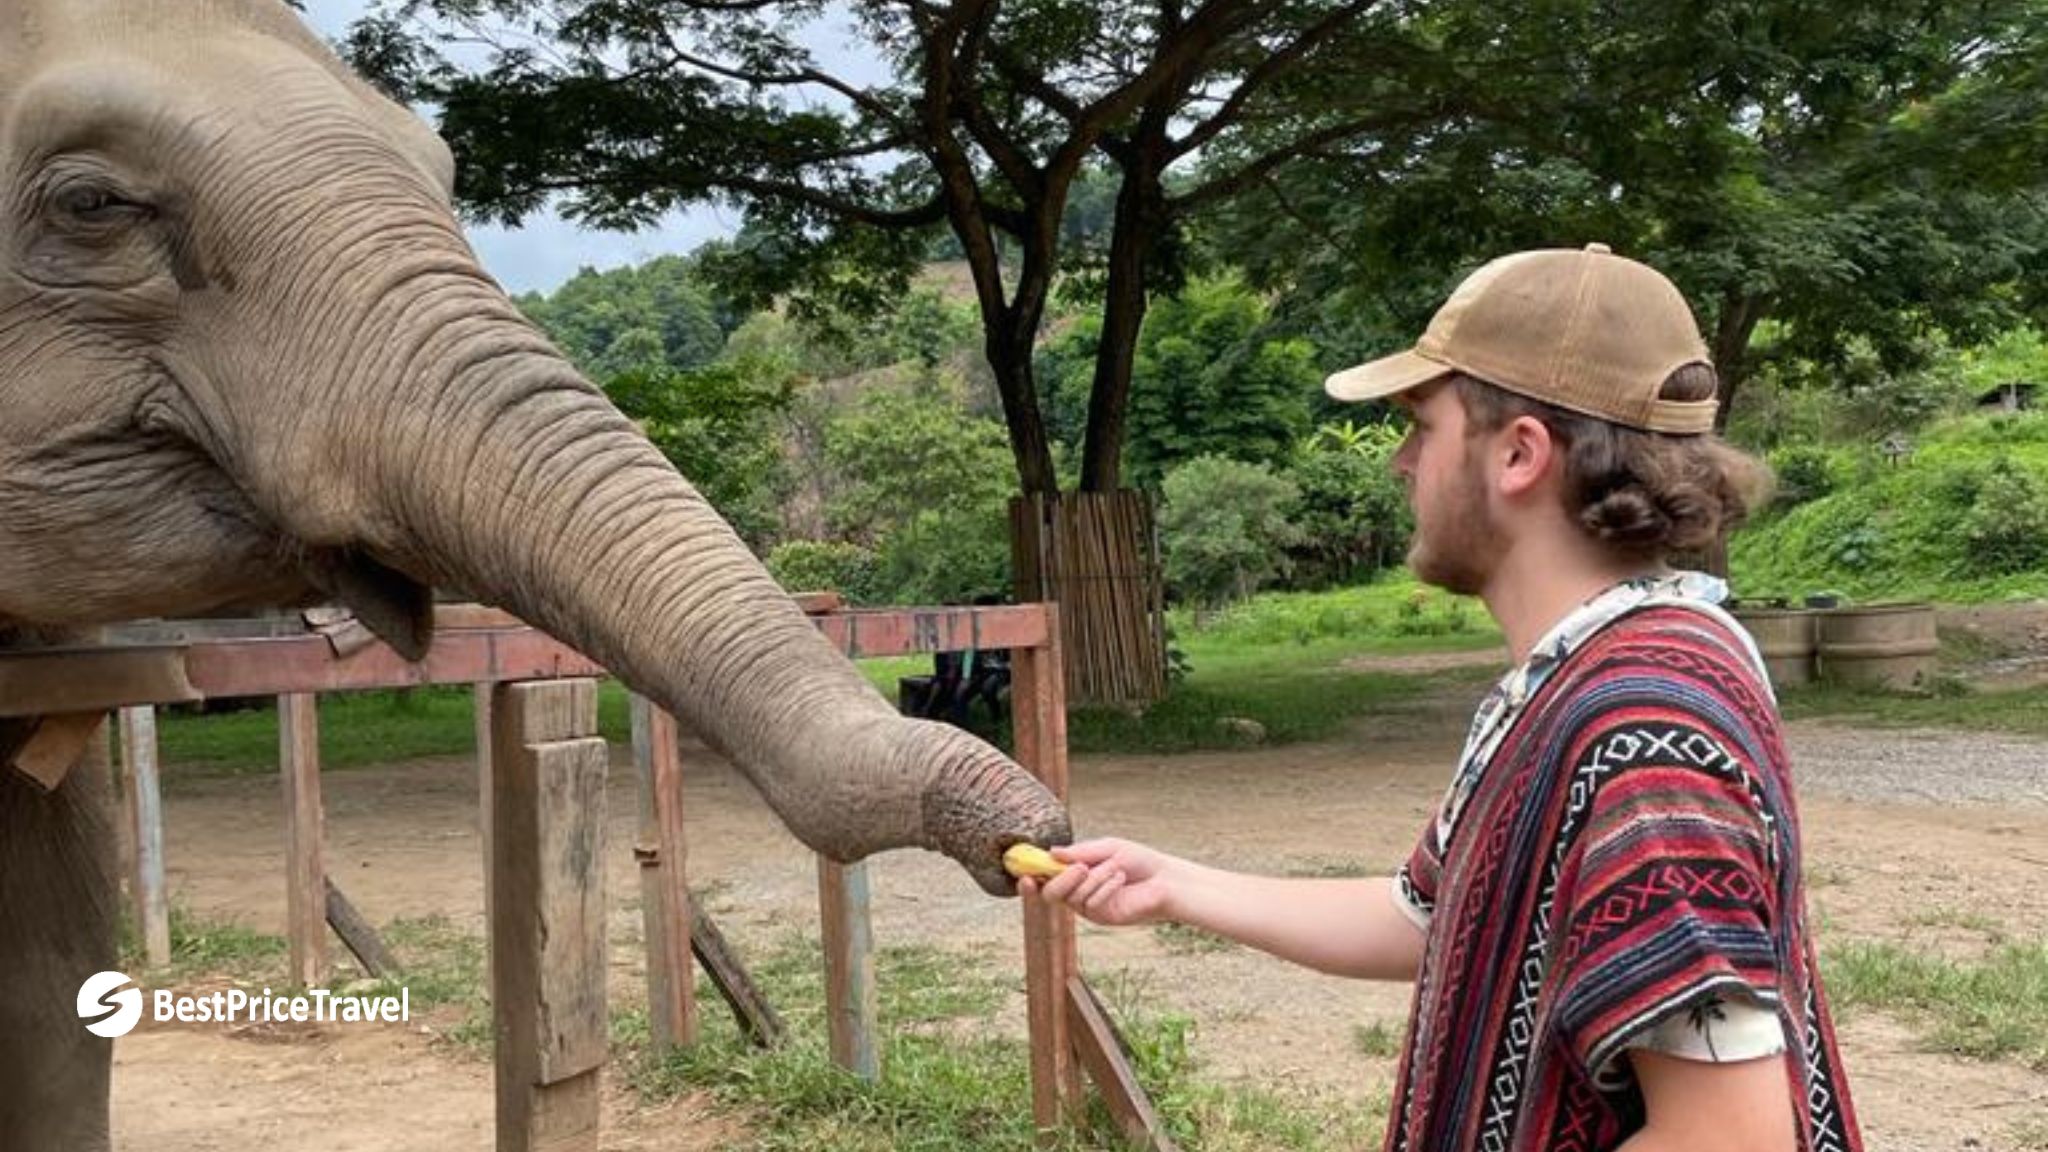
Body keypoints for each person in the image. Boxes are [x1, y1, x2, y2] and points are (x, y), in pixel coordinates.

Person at [1026, 244, 1862, 1152]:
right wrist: (1175, 884)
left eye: (1423, 425)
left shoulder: (1642, 732)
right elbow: (1431, 919)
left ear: (1517, 453)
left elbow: (1730, 1139)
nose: (1400, 462)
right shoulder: (1578, 677)